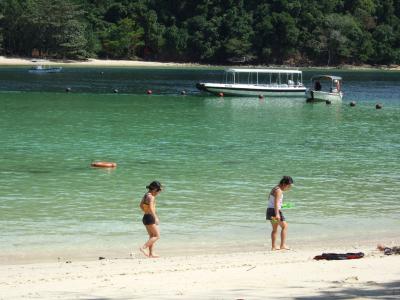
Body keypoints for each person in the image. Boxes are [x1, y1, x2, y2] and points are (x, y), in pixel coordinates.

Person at [266, 176, 294, 250]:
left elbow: (271, 201)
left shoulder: (275, 188)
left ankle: (273, 247)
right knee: (285, 227)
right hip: (275, 211)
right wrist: (277, 214)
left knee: (275, 229)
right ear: (284, 184)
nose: (288, 188)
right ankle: (283, 245)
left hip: (270, 210)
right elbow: (276, 203)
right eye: (288, 186)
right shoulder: (279, 191)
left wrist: (285, 206)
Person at [139, 181, 163, 258]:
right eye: (158, 191)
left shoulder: (146, 195)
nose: (158, 193)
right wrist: (155, 217)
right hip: (150, 217)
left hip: (145, 217)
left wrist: (146, 211)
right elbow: (152, 208)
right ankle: (143, 248)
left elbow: (140, 205)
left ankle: (151, 253)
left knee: (152, 236)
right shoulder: (151, 197)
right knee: (157, 236)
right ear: (155, 189)